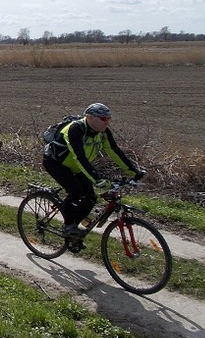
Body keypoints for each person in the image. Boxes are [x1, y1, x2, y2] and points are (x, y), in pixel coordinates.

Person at [42, 103, 145, 247]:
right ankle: (68, 226)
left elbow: (114, 151)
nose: (107, 122)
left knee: (90, 198)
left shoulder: (103, 132)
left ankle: (74, 231)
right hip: (56, 163)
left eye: (109, 119)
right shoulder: (75, 129)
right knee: (76, 191)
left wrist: (134, 171)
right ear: (89, 117)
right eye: (103, 118)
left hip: (76, 166)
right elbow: (79, 157)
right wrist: (96, 178)